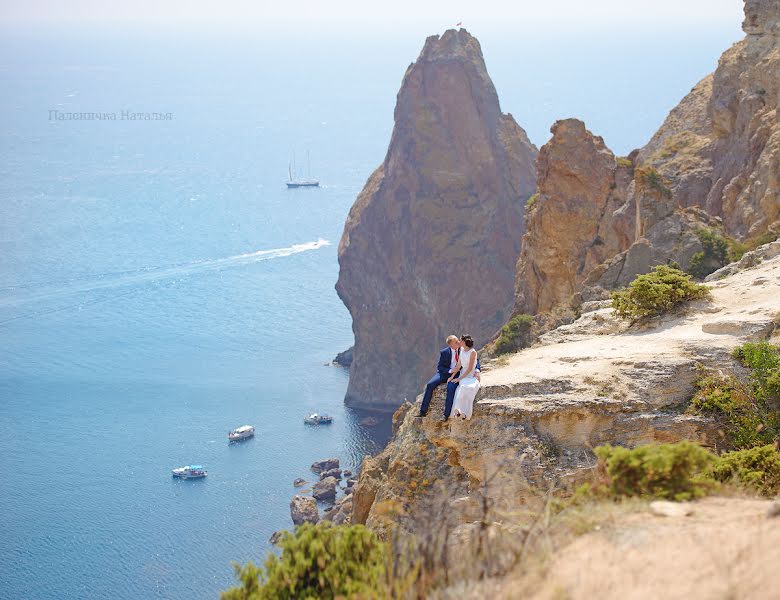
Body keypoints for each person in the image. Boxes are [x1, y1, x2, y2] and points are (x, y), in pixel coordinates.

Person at [416, 335, 460, 418]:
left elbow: (474, 359)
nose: (458, 342)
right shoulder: (444, 352)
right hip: (444, 373)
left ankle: (446, 415)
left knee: (450, 388)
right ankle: (423, 412)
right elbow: (440, 367)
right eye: (456, 342)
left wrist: (476, 371)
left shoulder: (462, 350)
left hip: (456, 374)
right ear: (451, 345)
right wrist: (450, 370)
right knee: (430, 385)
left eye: (458, 340)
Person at [448, 335, 480, 420]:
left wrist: (459, 378)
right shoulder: (461, 350)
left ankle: (466, 414)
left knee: (470, 388)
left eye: (460, 340)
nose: (459, 342)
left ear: (464, 342)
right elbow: (458, 366)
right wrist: (452, 376)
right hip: (463, 374)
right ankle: (458, 411)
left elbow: (470, 368)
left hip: (470, 375)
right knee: (462, 388)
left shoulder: (473, 352)